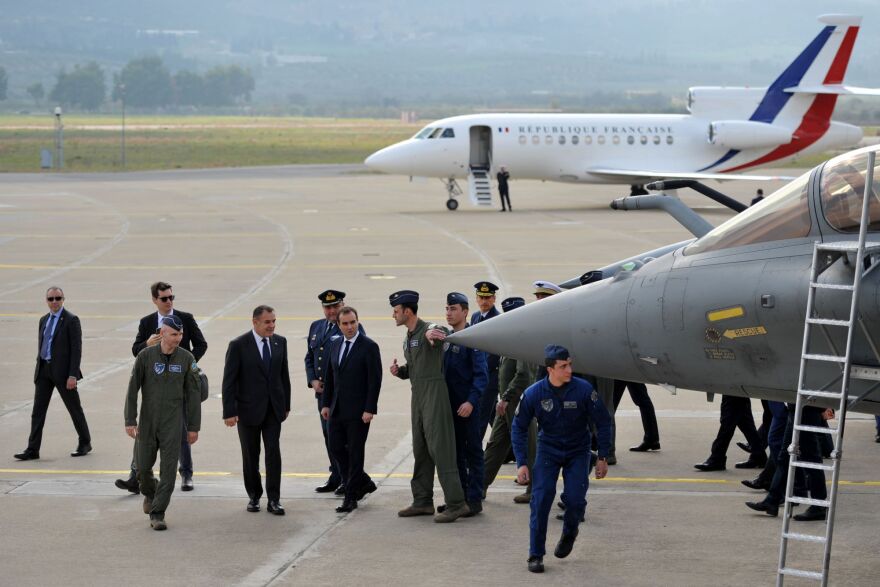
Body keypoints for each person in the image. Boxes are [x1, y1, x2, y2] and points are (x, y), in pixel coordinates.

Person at [513, 345, 612, 573]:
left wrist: (603, 457)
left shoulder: (584, 390)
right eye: (563, 366)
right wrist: (521, 463)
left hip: (579, 450)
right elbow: (518, 427)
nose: (569, 370)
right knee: (541, 500)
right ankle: (535, 554)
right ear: (550, 369)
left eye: (570, 364)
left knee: (576, 501)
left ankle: (570, 532)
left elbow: (603, 421)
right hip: (549, 449)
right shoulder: (534, 393)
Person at [116, 281, 207, 494]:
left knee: (182, 429)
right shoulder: (147, 322)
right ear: (155, 300)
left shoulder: (185, 318)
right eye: (164, 298)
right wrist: (147, 344)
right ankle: (135, 476)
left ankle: (186, 474)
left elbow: (201, 344)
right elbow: (135, 350)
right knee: (145, 433)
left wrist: (187, 364)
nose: (169, 301)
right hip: (154, 388)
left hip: (179, 385)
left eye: (171, 297)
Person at [389, 290, 470, 523]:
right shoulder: (409, 336)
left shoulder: (428, 330)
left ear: (407, 311)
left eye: (396, 311)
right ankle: (422, 500)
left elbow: (440, 332)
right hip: (418, 396)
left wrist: (437, 332)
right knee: (421, 448)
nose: (393, 315)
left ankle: (457, 503)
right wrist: (401, 372)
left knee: (441, 449)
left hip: (435, 394)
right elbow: (416, 367)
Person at [124, 315, 201, 531]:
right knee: (141, 468)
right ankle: (150, 492)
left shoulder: (187, 359)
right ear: (162, 333)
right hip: (147, 422)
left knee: (168, 471)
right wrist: (130, 420)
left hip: (172, 423)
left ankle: (158, 513)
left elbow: (194, 394)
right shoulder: (145, 356)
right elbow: (132, 389)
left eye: (181, 334)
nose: (178, 338)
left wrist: (193, 427)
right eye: (174, 334)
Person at [222, 305, 291, 516]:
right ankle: (254, 495)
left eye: (273, 321)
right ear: (255, 322)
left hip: (273, 409)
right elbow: (229, 381)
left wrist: (286, 404)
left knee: (273, 454)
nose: (272, 326)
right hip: (247, 410)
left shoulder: (280, 342)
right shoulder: (238, 345)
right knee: (251, 455)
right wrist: (229, 411)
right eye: (267, 322)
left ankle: (274, 499)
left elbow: (283, 375)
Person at [15, 287, 91, 461]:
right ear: (46, 301)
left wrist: (72, 375)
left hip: (64, 374)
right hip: (44, 371)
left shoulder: (71, 320)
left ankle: (85, 442)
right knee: (37, 411)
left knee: (74, 408)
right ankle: (33, 449)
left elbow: (76, 350)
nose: (54, 301)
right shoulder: (43, 320)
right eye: (51, 299)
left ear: (63, 299)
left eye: (58, 298)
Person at [321, 306, 382, 513]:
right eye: (345, 323)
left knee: (355, 453)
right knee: (336, 447)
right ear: (338, 325)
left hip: (358, 412)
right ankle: (362, 481)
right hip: (337, 409)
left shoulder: (369, 346)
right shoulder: (335, 344)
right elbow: (330, 376)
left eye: (353, 322)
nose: (350, 327)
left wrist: (369, 408)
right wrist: (326, 404)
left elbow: (375, 381)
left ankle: (351, 496)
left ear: (358, 321)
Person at [482, 297, 538, 503]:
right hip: (506, 403)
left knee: (530, 446)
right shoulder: (514, 337)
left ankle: (535, 490)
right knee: (496, 444)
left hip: (518, 402)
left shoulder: (522, 340)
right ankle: (480, 486)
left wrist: (506, 398)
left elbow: (523, 375)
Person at [441, 292, 489, 515]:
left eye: (453, 309)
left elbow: (482, 376)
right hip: (450, 407)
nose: (449, 313)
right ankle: (459, 498)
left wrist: (470, 402)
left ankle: (474, 499)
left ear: (465, 311)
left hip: (467, 408)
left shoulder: (472, 338)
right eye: (447, 309)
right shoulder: (449, 340)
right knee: (455, 453)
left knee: (473, 453)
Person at [745, 405, 829, 522]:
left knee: (810, 458)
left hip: (806, 408)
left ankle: (819, 505)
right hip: (796, 407)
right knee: (784, 457)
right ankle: (772, 500)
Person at [306, 289, 352, 495]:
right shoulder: (317, 326)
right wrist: (313, 380)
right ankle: (336, 475)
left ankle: (348, 478)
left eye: (335, 306)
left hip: (341, 396)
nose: (332, 311)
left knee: (343, 439)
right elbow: (310, 357)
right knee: (328, 436)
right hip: (322, 394)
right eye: (328, 307)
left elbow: (353, 361)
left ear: (343, 306)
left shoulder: (349, 327)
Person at [694, 395, 766, 471]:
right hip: (736, 389)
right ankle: (759, 455)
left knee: (729, 419)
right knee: (744, 419)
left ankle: (717, 458)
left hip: (733, 388)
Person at [470, 281, 500, 438]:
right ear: (476, 298)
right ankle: (508, 448)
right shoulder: (475, 317)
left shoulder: (498, 319)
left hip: (489, 376)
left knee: (481, 415)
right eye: (481, 297)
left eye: (488, 298)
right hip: (479, 375)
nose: (484, 301)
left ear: (494, 299)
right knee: (493, 416)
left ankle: (474, 456)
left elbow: (495, 353)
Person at [613, 380, 660, 452]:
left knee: (611, 403)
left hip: (621, 370)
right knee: (643, 400)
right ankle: (652, 438)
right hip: (630, 370)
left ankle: (600, 444)